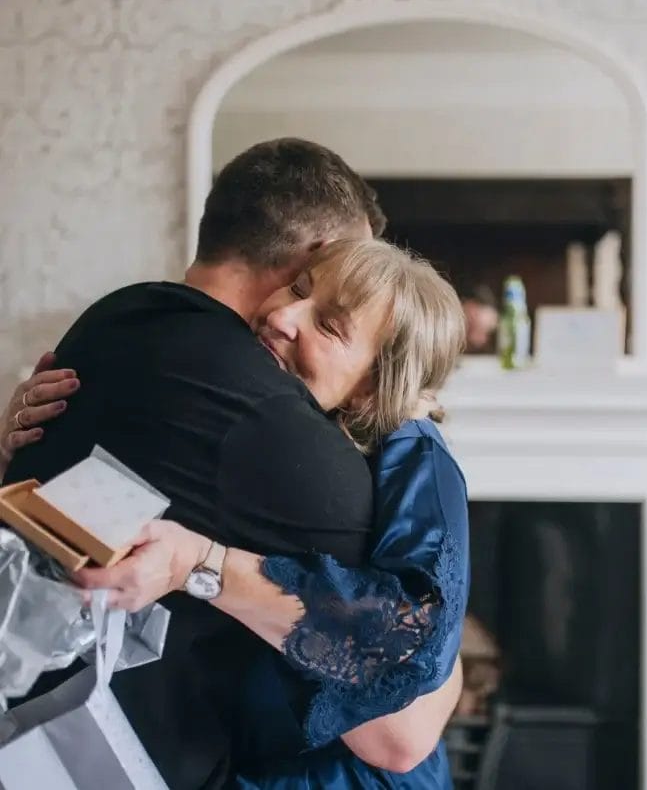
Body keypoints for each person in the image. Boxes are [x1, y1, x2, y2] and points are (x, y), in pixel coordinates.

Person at [2, 139, 463, 789]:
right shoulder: (266, 421)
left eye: (331, 321)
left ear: (371, 385)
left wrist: (200, 562)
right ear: (306, 252)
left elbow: (400, 726)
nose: (285, 315)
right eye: (303, 286)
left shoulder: (114, 321)